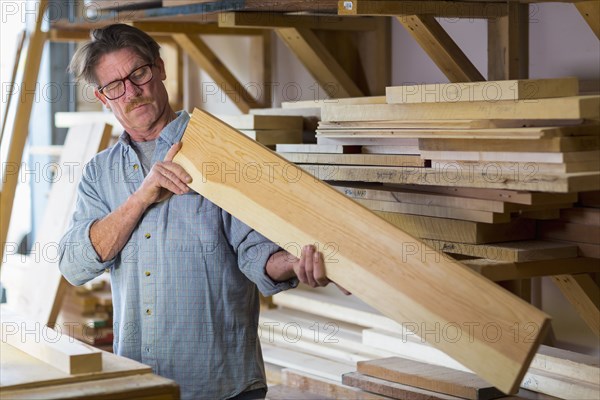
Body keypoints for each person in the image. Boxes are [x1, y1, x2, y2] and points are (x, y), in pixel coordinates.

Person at [59, 24, 345, 400]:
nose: (131, 92)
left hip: (222, 384)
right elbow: (74, 264)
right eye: (115, 86)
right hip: (143, 385)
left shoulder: (222, 151)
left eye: (139, 74)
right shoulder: (100, 172)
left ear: (159, 68)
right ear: (102, 97)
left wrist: (295, 263)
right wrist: (141, 197)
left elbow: (255, 252)